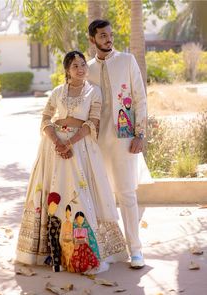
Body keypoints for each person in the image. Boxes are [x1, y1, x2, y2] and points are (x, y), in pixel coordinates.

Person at [16, 50, 128, 273]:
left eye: (83, 65)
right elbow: (46, 118)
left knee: (80, 193)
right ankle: (50, 253)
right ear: (67, 70)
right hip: (53, 149)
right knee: (54, 192)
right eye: (75, 66)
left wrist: (70, 143)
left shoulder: (93, 92)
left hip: (81, 148)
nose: (81, 69)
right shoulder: (58, 92)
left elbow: (92, 122)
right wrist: (58, 141)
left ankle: (83, 252)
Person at [87, 19, 152, 268]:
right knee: (99, 195)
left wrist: (140, 134)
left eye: (110, 35)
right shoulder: (88, 68)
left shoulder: (127, 61)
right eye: (103, 36)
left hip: (124, 137)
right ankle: (107, 249)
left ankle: (136, 250)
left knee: (126, 193)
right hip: (95, 141)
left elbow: (140, 98)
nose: (109, 39)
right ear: (92, 40)